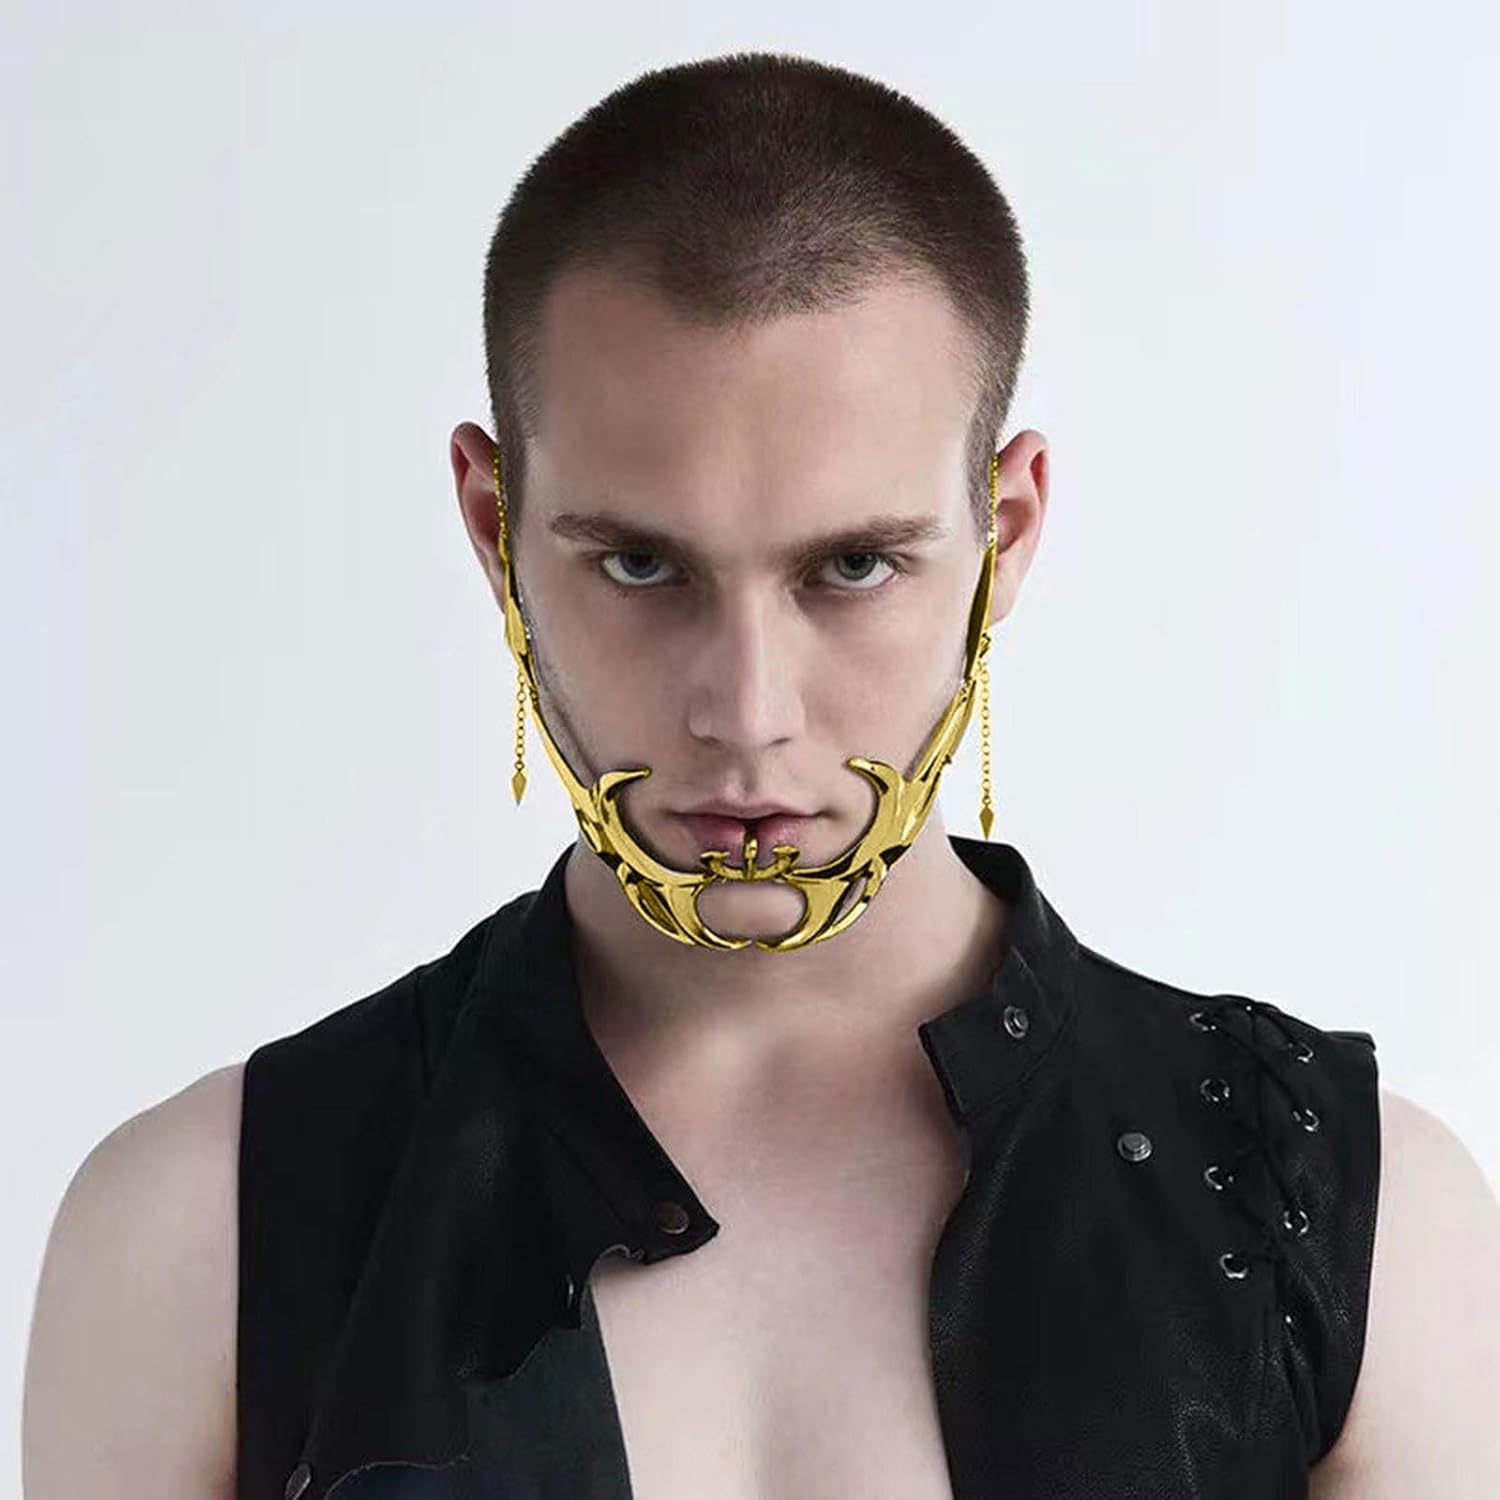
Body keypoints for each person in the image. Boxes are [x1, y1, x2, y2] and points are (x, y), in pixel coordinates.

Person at [23, 49, 1500, 1500]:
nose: (747, 712)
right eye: (641, 565)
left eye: (852, 567)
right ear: (492, 527)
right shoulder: (193, 1238)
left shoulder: (1363, 1230)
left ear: (1004, 533)